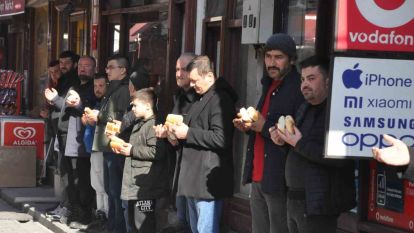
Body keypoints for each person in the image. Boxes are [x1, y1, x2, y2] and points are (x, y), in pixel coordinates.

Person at [269, 55, 356, 233]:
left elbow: (338, 158)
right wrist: (282, 141)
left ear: (327, 81)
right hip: (294, 199)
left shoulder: (337, 113)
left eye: (311, 78)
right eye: (302, 79)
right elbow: (298, 146)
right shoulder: (304, 108)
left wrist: (297, 143)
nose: (304, 84)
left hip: (318, 205)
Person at [233, 33, 304, 233]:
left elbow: (297, 133)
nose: (272, 62)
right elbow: (263, 126)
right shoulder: (268, 84)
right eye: (268, 56)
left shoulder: (298, 89)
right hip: (258, 175)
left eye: (278, 57)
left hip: (280, 179)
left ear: (291, 60)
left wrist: (263, 127)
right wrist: (249, 127)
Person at [169, 55, 237, 233]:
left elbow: (221, 137)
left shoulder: (220, 98)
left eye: (195, 80)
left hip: (207, 179)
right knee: (195, 228)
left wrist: (188, 133)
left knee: (205, 229)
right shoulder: (202, 96)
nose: (191, 85)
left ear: (209, 76)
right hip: (194, 176)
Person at [46, 55, 97, 229]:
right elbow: (66, 107)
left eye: (87, 66)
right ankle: (73, 211)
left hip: (80, 140)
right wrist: (56, 100)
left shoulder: (93, 87)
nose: (83, 68)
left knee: (80, 179)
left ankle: (84, 215)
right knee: (69, 178)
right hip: (65, 136)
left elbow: (90, 109)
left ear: (94, 68)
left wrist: (77, 103)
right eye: (81, 66)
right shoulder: (74, 85)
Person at [113, 88, 169, 233]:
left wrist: (131, 150)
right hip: (136, 185)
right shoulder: (139, 123)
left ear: (147, 106)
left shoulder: (153, 125)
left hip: (146, 188)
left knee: (144, 224)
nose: (133, 109)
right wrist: (119, 144)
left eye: (135, 105)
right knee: (133, 223)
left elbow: (157, 151)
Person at [155, 52, 197, 233]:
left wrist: (181, 135)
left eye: (184, 69)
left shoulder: (203, 97)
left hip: (197, 168)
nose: (179, 74)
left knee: (195, 222)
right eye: (177, 69)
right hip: (179, 164)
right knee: (181, 219)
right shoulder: (178, 95)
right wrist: (168, 135)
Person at [92, 54, 131, 233]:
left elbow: (121, 119)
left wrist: (98, 116)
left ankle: (117, 228)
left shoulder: (123, 90)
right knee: (109, 189)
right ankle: (111, 225)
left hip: (116, 146)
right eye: (107, 67)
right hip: (108, 146)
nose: (107, 70)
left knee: (115, 191)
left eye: (111, 67)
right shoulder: (113, 87)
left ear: (122, 70)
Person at [44, 51, 80, 221]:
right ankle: (64, 204)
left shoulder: (74, 81)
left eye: (67, 62)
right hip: (60, 130)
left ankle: (70, 208)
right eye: (61, 62)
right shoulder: (64, 80)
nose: (63, 65)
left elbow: (68, 105)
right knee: (63, 171)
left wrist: (56, 99)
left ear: (75, 63)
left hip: (70, 131)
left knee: (71, 173)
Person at [82, 73, 109, 231]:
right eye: (95, 86)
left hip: (102, 147)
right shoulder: (95, 102)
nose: (97, 89)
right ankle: (100, 213)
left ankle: (105, 215)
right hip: (93, 147)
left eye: (101, 86)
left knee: (102, 184)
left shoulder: (107, 103)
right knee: (96, 183)